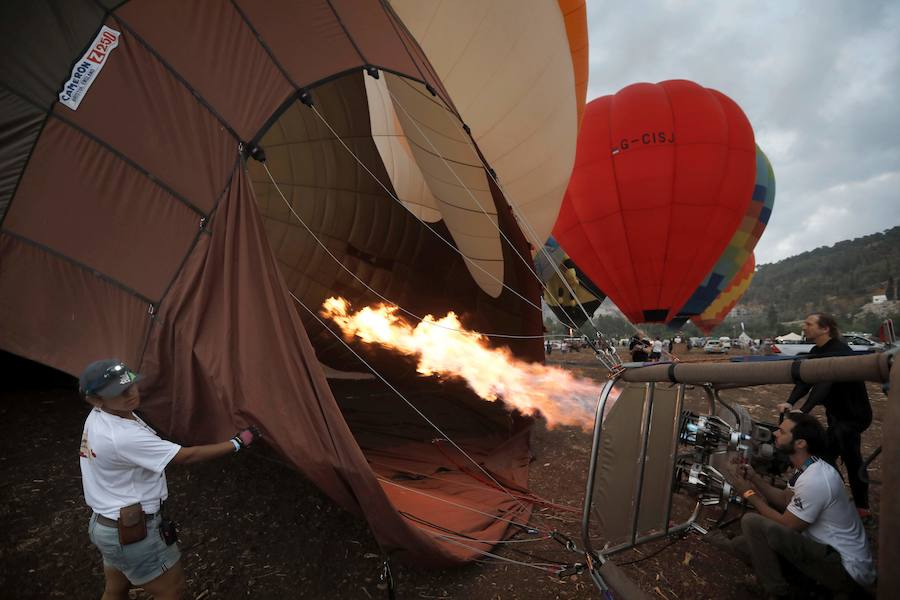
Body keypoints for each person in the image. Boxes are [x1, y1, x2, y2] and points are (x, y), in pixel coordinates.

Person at [79, 359, 262, 600]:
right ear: (95, 399)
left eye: (131, 385)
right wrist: (237, 443)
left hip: (107, 526)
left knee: (116, 589)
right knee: (171, 591)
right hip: (132, 532)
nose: (131, 394)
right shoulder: (122, 436)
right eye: (120, 392)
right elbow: (186, 456)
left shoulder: (101, 416)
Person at [714, 412, 876, 598]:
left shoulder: (816, 480)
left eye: (782, 432)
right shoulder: (810, 467)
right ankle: (802, 583)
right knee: (745, 543)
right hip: (826, 552)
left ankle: (777, 592)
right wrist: (754, 478)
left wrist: (747, 492)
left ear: (800, 443)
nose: (775, 434)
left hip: (846, 570)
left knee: (752, 522)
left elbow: (787, 524)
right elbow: (784, 499)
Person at [776, 313, 873, 518]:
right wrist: (790, 402)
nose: (804, 327)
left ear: (825, 328)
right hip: (836, 415)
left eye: (809, 324)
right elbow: (806, 379)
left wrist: (805, 410)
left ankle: (856, 508)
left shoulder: (839, 350)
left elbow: (825, 383)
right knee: (842, 456)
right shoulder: (816, 350)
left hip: (854, 415)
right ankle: (845, 502)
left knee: (836, 456)